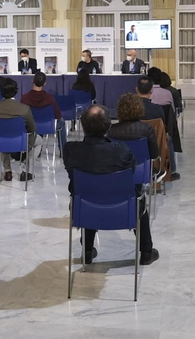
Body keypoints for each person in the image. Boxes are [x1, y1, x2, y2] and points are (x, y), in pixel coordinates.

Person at [64, 105, 156, 265]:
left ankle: (87, 250)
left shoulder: (70, 150)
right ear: (108, 126)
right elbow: (131, 172)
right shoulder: (122, 151)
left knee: (89, 194)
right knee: (138, 198)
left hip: (83, 208)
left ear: (83, 126)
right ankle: (146, 251)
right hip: (123, 208)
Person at [0, 78, 36, 182]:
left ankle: (7, 170)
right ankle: (26, 171)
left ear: (1, 91)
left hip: (0, 142)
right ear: (15, 91)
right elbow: (32, 128)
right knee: (38, 140)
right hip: (20, 142)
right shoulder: (24, 108)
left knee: (2, 134)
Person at [108, 91, 165, 182]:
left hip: (118, 172)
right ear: (140, 109)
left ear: (119, 110)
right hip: (142, 171)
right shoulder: (147, 129)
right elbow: (154, 155)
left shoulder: (111, 130)